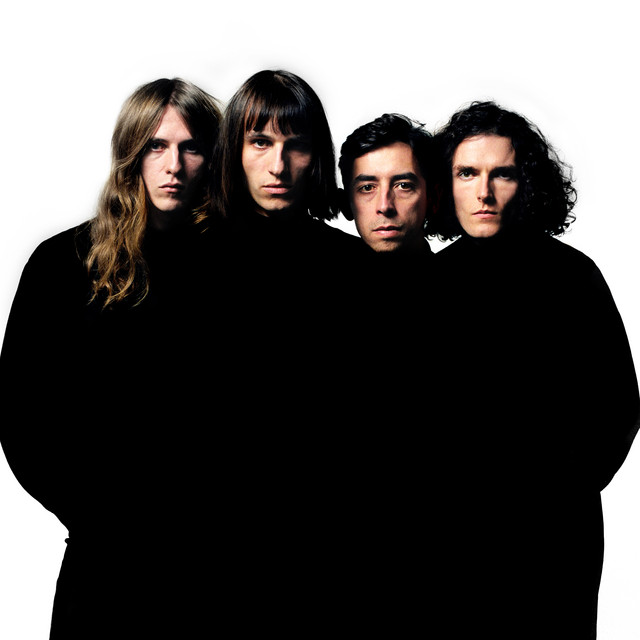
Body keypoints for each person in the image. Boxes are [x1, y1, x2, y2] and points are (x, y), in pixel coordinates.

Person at [0, 78, 222, 638]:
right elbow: (19, 413)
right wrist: (94, 515)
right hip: (105, 567)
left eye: (191, 147)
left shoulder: (238, 264)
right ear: (130, 153)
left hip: (218, 569)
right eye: (156, 145)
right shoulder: (62, 263)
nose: (173, 165)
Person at [427, 100, 639, 639]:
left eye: (501, 174)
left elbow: (618, 404)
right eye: (467, 173)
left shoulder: (573, 276)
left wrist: (559, 496)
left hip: (554, 545)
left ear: (527, 183)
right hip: (451, 546)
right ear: (445, 183)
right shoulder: (427, 282)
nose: (483, 192)